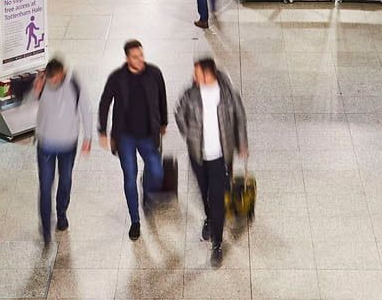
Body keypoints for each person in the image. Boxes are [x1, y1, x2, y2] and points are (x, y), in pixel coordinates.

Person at [173, 58, 248, 264]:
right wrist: (190, 134)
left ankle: (217, 242)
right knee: (205, 193)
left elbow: (240, 116)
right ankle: (209, 219)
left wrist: (241, 144)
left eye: (196, 72)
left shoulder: (227, 94)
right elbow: (179, 112)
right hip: (199, 156)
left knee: (217, 198)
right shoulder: (191, 93)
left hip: (220, 157)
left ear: (208, 75)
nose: (192, 76)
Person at [97, 40, 169, 241]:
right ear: (127, 58)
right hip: (125, 136)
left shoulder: (154, 73)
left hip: (148, 134)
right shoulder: (117, 78)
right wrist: (102, 130)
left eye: (141, 55)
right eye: (135, 57)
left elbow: (162, 97)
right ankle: (135, 220)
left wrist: (163, 122)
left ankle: (146, 190)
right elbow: (105, 102)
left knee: (156, 171)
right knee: (129, 176)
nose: (140, 60)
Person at [33, 57, 89, 246]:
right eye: (51, 79)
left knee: (65, 180)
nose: (53, 82)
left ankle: (62, 213)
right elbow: (27, 104)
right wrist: (36, 90)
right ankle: (46, 226)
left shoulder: (74, 84)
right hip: (46, 145)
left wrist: (88, 137)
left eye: (56, 78)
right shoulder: (42, 83)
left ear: (63, 72)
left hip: (68, 144)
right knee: (46, 184)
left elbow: (86, 110)